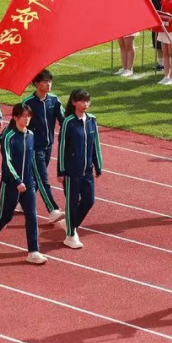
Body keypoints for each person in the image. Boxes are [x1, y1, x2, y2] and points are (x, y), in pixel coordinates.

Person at [0, 104, 46, 265]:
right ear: (15, 117)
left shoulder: (30, 135)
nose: (27, 119)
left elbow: (31, 160)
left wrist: (34, 179)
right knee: (5, 216)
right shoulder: (9, 136)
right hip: (11, 183)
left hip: (28, 183)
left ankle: (33, 251)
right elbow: (7, 162)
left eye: (29, 116)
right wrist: (17, 181)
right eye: (23, 116)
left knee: (32, 216)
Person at [58, 89, 102, 249]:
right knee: (71, 203)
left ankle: (70, 224)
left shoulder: (92, 120)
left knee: (89, 200)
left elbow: (95, 144)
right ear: (74, 102)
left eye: (87, 101)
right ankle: (70, 235)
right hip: (72, 172)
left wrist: (98, 165)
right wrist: (61, 171)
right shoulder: (68, 122)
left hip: (87, 171)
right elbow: (62, 147)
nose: (85, 104)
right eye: (82, 101)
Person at [23, 69, 65, 224]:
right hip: (34, 147)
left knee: (35, 178)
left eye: (50, 81)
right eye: (45, 81)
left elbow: (64, 120)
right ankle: (52, 209)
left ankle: (21, 200)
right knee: (42, 178)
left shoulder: (54, 100)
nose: (49, 84)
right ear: (36, 84)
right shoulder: (28, 103)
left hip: (48, 146)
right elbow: (18, 123)